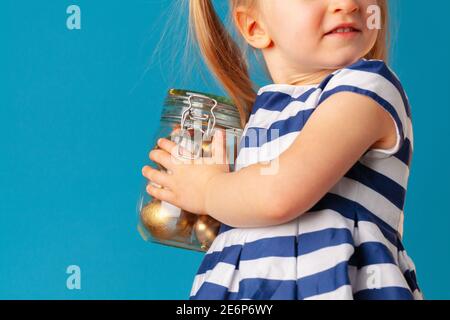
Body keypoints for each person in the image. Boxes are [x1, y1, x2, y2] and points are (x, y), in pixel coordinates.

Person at [142, 0, 423, 300]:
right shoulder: (261, 121)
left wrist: (208, 189)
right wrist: (201, 195)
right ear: (255, 26)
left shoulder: (368, 88)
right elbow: (255, 217)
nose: (348, 4)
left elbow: (279, 194)